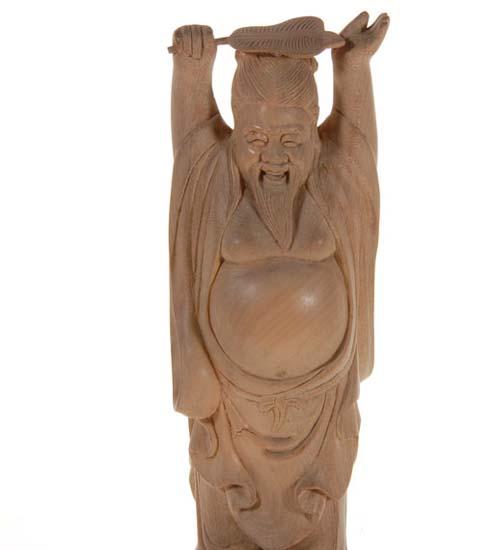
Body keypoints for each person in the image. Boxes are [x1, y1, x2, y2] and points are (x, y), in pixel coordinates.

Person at [169, 12, 389, 549]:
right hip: (231, 409)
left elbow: (357, 141)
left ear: (314, 136)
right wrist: (192, 74)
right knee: (226, 524)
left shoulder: (332, 177)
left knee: (320, 526)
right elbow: (192, 140)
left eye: (292, 139)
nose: (273, 156)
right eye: (256, 137)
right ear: (234, 136)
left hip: (321, 407)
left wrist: (353, 69)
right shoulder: (216, 179)